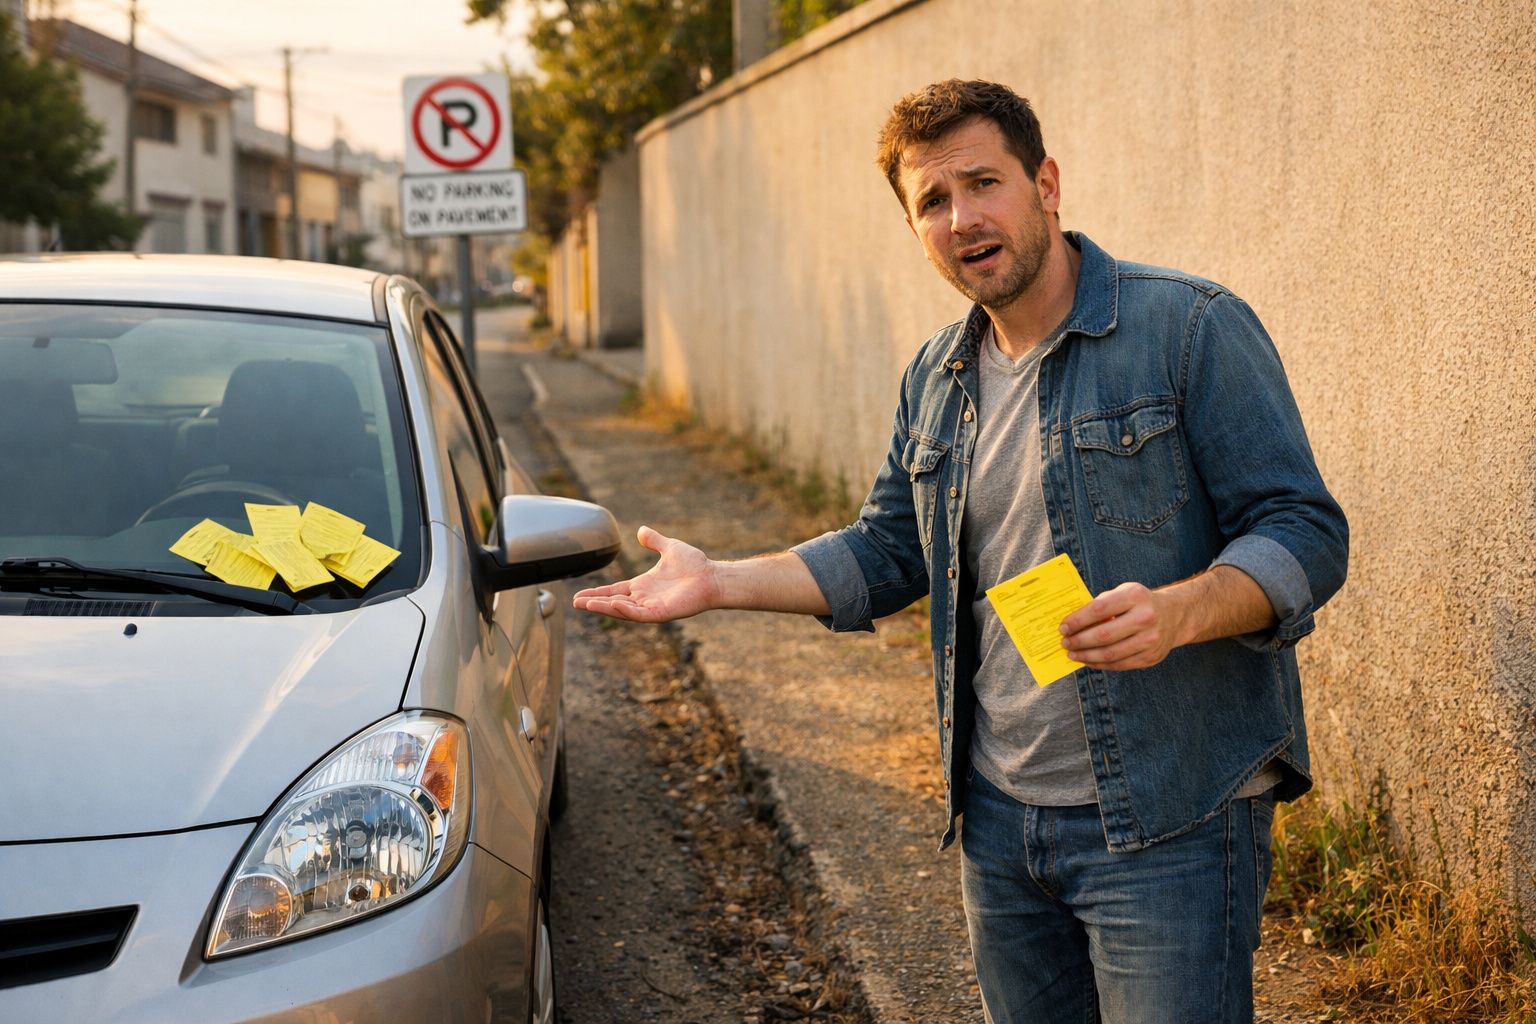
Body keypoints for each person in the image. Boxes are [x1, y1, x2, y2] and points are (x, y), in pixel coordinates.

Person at [574, 79, 1348, 1023]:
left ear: (1047, 184)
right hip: (997, 821)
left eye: (984, 183)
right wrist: (719, 581)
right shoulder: (936, 378)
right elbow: (886, 550)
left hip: (1169, 816)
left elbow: (1305, 531)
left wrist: (1182, 611)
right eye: (932, 202)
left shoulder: (1187, 329)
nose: (962, 218)